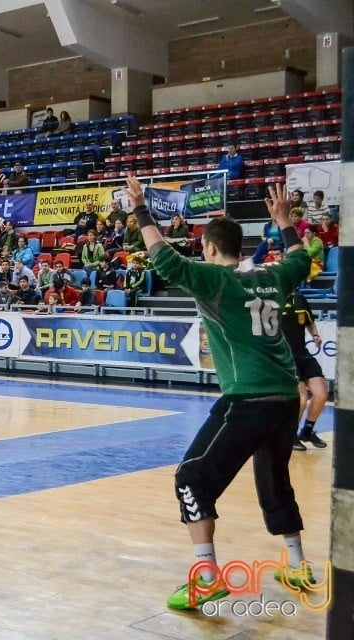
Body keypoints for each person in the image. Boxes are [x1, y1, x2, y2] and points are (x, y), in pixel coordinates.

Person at [125, 176, 315, 611]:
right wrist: (285, 223)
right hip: (286, 399)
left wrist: (140, 209)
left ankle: (206, 576)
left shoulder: (214, 281)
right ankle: (298, 564)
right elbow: (300, 261)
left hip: (246, 399)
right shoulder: (271, 277)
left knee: (190, 478)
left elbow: (164, 261)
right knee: (275, 479)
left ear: (210, 249)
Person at [280, 290, 329, 452]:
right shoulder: (273, 298)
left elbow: (309, 321)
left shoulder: (300, 299)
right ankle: (289, 435)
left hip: (303, 354)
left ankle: (307, 431)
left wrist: (315, 334)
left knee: (321, 393)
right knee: (301, 398)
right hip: (285, 357)